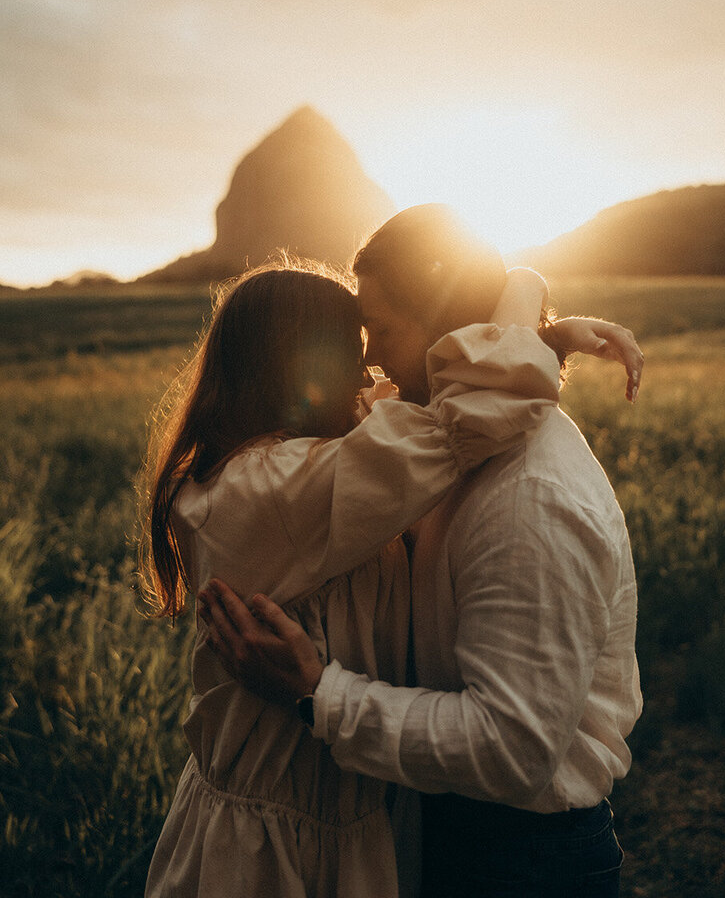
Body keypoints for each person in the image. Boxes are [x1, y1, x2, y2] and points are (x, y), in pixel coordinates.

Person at [140, 249, 632, 898]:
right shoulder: (267, 490)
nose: (370, 362)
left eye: (375, 333)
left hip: (358, 828)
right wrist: (523, 289)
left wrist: (534, 335)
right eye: (353, 340)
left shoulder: (322, 457)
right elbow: (455, 418)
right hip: (271, 854)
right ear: (296, 360)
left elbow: (453, 398)